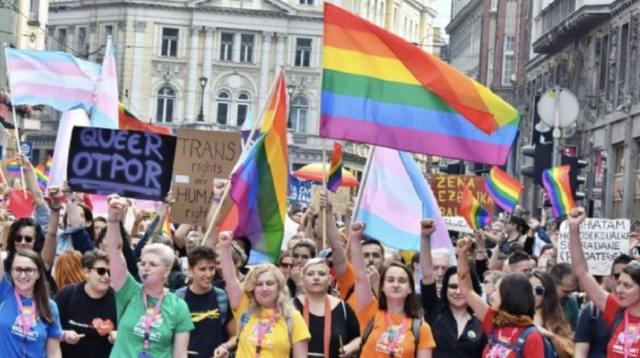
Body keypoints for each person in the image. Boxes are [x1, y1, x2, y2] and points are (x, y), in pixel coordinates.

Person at [104, 195, 194, 358]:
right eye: (143, 263)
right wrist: (112, 217)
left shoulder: (178, 307)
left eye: (153, 265)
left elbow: (180, 354)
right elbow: (115, 251)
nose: (146, 268)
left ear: (167, 271)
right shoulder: (128, 290)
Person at [218, 231, 310, 358]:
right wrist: (225, 248)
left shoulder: (293, 317)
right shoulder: (245, 309)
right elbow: (230, 279)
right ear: (252, 289)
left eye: (270, 283)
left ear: (279, 287)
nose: (264, 288)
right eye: (259, 284)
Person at [350, 222, 435, 357]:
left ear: (410, 289)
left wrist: (425, 237)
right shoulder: (370, 311)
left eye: (402, 281)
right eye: (390, 280)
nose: (396, 285)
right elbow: (360, 276)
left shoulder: (421, 328)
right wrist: (355, 239)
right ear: (381, 287)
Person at [567, 207, 640, 358]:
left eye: (627, 286)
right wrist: (574, 229)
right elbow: (582, 272)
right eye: (619, 283)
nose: (619, 289)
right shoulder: (616, 310)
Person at [456, 238, 544, 357]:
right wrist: (462, 256)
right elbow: (466, 291)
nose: (491, 295)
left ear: (509, 296)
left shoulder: (532, 337)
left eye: (496, 290)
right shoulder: (493, 321)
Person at [420, 220, 486, 358]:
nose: (457, 292)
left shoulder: (482, 324)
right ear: (445, 289)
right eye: (452, 286)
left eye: (462, 287)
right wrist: (425, 237)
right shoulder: (434, 311)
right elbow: (427, 275)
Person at [175, 246, 237, 358]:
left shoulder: (221, 296)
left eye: (212, 268)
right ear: (190, 270)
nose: (208, 274)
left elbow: (235, 336)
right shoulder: (178, 297)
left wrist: (225, 347)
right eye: (202, 269)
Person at [54, 249, 117, 358]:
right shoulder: (67, 294)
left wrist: (118, 336)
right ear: (87, 272)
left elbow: (130, 334)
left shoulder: (118, 300)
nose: (107, 276)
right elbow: (47, 329)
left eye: (110, 272)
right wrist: (64, 335)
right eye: (101, 271)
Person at [292, 258, 361, 358]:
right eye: (310, 274)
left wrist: (349, 347)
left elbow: (359, 338)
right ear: (302, 279)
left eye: (321, 274)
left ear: (329, 280)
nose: (316, 277)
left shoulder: (343, 308)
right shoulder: (291, 306)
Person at [0, 250, 62, 357]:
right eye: (18, 269)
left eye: (29, 270)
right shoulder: (4, 292)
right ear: (11, 271)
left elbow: (54, 352)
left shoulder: (49, 306)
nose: (23, 275)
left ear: (38, 274)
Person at [574, 254, 632, 358]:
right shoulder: (591, 310)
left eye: (629, 279)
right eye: (618, 275)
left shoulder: (633, 313)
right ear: (611, 277)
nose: (622, 280)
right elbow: (580, 351)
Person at [528, 270, 574, 358]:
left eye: (539, 290)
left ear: (548, 293)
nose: (533, 294)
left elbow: (569, 354)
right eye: (529, 289)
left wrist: (551, 337)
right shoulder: (514, 316)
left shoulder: (558, 321)